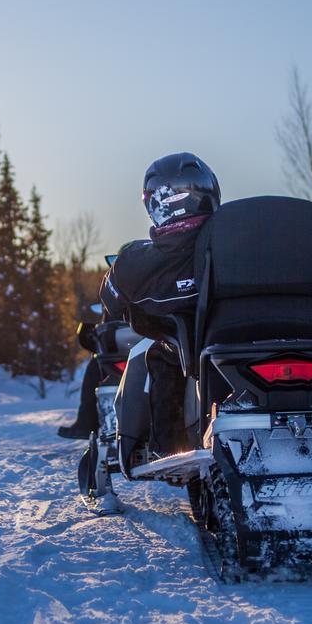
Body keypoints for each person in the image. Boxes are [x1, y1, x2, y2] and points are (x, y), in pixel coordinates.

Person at [98, 152, 220, 456]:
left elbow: (110, 298)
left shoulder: (142, 261)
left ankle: (171, 446)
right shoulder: (242, 241)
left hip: (199, 348)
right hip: (272, 336)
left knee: (161, 355)